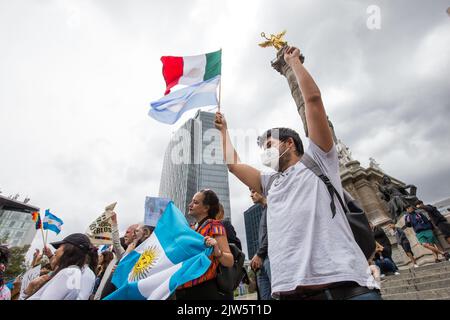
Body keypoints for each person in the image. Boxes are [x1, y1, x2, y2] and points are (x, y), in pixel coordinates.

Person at [214, 46, 380, 300]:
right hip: (292, 293)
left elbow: (313, 101)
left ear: (289, 143)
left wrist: (294, 63)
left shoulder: (319, 161)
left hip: (344, 289)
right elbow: (233, 164)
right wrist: (223, 130)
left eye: (269, 145)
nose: (264, 153)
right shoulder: (270, 182)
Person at [175, 189, 234, 300]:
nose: (190, 205)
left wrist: (218, 251)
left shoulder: (214, 225)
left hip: (203, 290)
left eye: (196, 202)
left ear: (206, 208)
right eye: (192, 201)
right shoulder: (192, 230)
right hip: (184, 290)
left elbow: (229, 261)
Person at [25, 233, 94, 300]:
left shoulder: (70, 273)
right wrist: (30, 287)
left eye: (59, 247)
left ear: (69, 249)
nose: (55, 251)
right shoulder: (72, 272)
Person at [95, 218, 139, 300]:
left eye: (128, 232)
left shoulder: (138, 259)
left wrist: (122, 269)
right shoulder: (122, 255)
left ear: (135, 234)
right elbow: (116, 242)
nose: (125, 235)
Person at [249, 188, 272, 300]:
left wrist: (259, 253)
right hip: (263, 260)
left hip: (271, 258)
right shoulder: (264, 211)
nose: (251, 195)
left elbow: (272, 233)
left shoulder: (272, 208)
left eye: (253, 191)